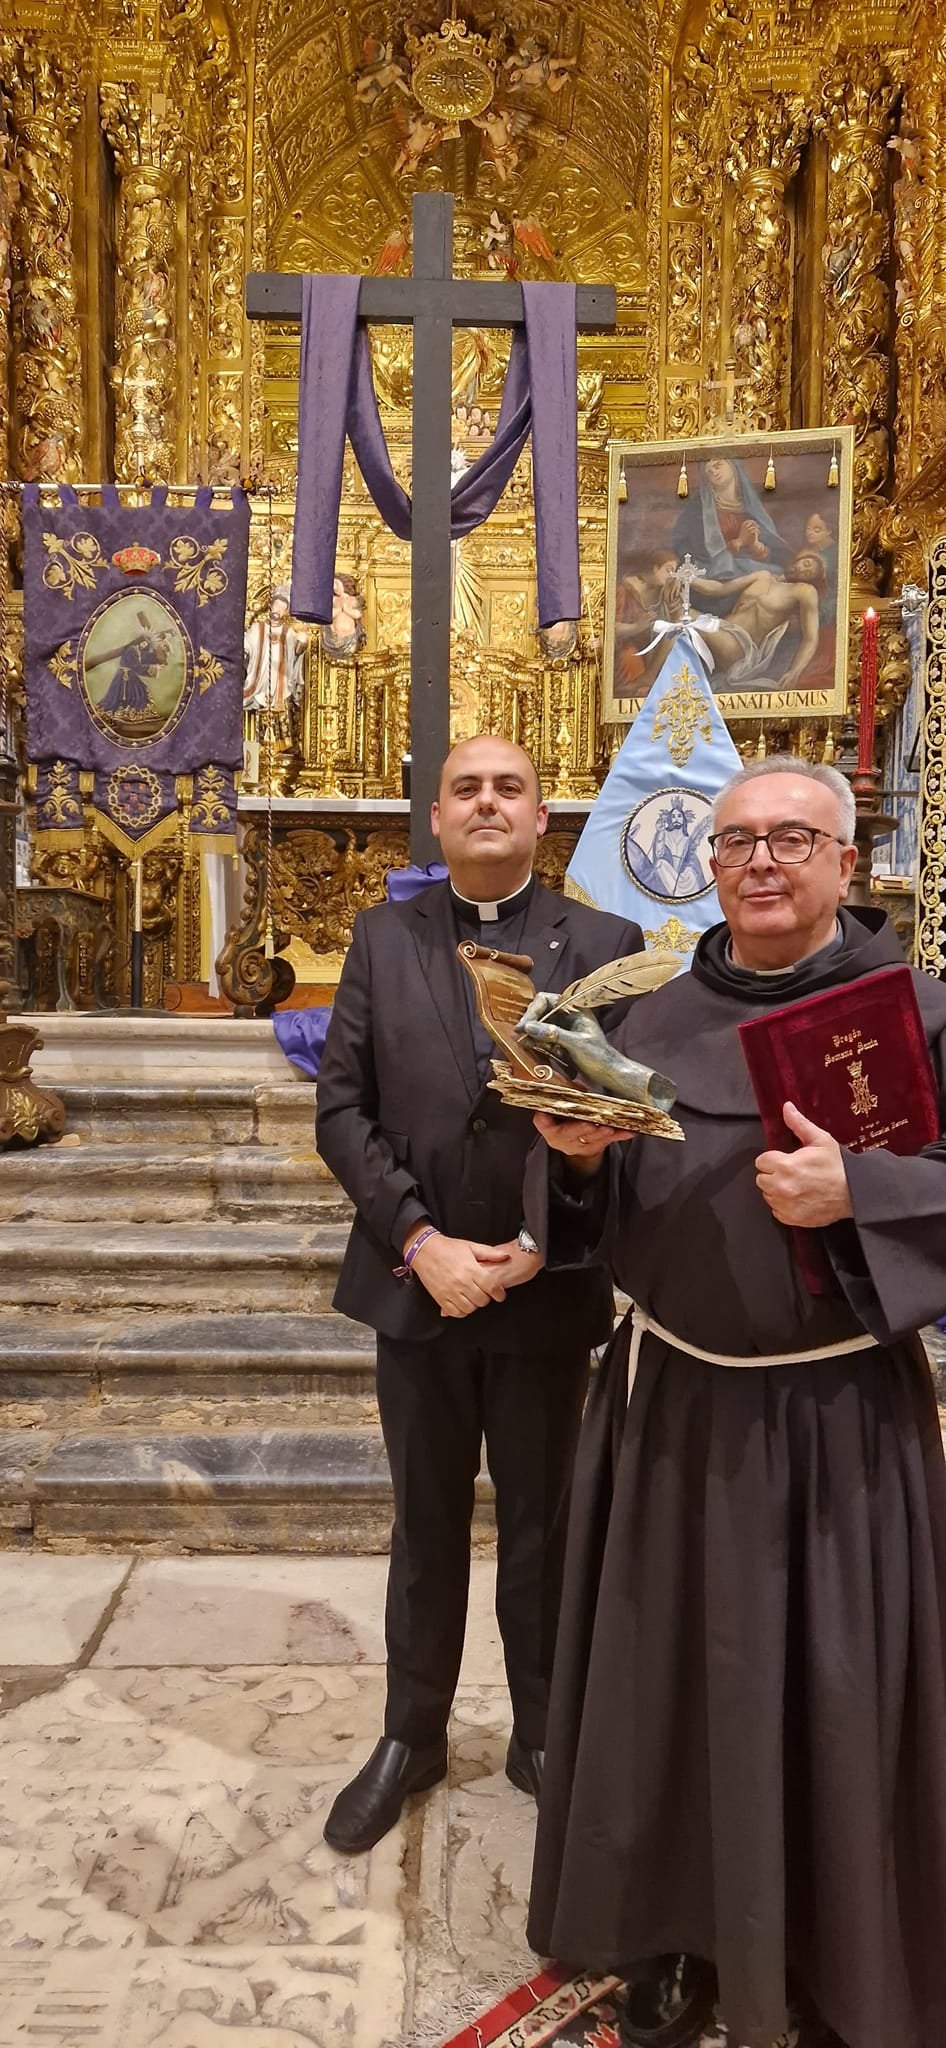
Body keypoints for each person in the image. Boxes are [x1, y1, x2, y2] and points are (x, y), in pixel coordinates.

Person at [521, 756, 946, 2048]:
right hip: (669, 1412)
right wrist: (571, 1166)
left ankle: (829, 1949)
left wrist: (862, 1194)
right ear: (704, 865)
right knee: (660, 1693)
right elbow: (593, 1222)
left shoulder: (915, 1012)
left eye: (791, 838)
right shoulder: (644, 1017)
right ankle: (662, 1931)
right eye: (735, 840)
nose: (759, 860)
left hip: (837, 1423)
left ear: (844, 862)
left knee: (829, 1695)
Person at [315, 734, 644, 1854]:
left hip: (544, 1293)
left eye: (509, 787)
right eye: (466, 788)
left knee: (545, 1523)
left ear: (542, 817)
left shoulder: (601, 945)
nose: (487, 802)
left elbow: (608, 1119)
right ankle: (412, 1734)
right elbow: (344, 1110)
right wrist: (420, 1242)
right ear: (438, 817)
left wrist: (537, 1239)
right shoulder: (382, 938)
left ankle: (542, 1733)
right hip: (419, 1295)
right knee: (425, 1523)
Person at [691, 552, 827, 690]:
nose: (802, 570)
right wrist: (688, 579)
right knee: (680, 612)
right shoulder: (762, 576)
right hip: (721, 628)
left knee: (693, 629)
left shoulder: (803, 591)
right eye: (805, 563)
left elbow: (810, 638)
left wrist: (795, 671)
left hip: (740, 649)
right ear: (798, 559)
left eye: (808, 573)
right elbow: (720, 589)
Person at [673, 454, 790, 581]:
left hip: (751, 569)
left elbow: (777, 553)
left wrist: (755, 546)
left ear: (733, 466)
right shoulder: (698, 509)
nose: (714, 473)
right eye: (709, 472)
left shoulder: (751, 507)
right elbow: (689, 549)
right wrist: (738, 542)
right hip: (717, 574)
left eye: (717, 466)